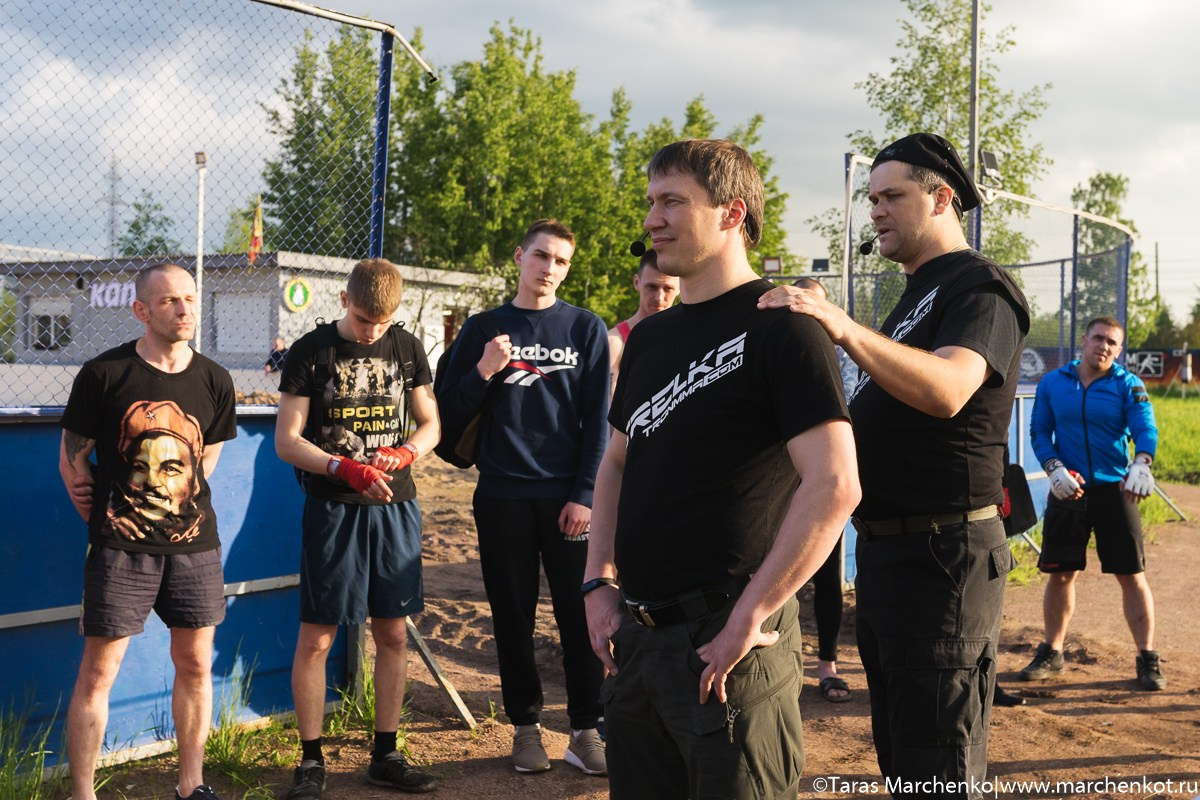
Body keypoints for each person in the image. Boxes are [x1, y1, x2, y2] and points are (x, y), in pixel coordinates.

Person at [584, 139, 861, 799]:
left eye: (672, 202)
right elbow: (616, 463)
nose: (652, 219)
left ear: (732, 213)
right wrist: (597, 581)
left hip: (733, 643)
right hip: (639, 643)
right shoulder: (649, 337)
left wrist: (749, 614)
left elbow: (835, 485)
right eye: (651, 201)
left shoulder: (785, 327)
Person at [759, 132, 1030, 799]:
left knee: (937, 764)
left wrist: (842, 325)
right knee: (905, 756)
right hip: (893, 558)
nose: (876, 210)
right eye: (872, 198)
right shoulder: (916, 294)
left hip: (944, 559)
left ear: (940, 198)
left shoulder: (980, 285)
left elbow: (948, 389)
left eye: (891, 196)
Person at [435, 219, 609, 776]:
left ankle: (585, 730)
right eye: (541, 256)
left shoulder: (585, 328)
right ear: (519, 257)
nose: (549, 268)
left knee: (580, 616)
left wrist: (585, 494)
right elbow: (446, 414)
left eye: (561, 261)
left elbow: (598, 422)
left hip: (567, 500)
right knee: (512, 617)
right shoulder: (483, 328)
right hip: (502, 495)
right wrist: (484, 370)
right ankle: (526, 728)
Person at [58, 263, 237, 800]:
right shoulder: (104, 374)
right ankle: (84, 793)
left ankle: (191, 786)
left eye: (190, 299)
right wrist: (92, 504)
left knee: (196, 664)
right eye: (168, 301)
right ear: (141, 310)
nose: (184, 310)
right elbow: (73, 455)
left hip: (195, 550)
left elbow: (206, 460)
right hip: (120, 552)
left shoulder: (215, 379)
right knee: (98, 673)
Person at [275, 259, 441, 797]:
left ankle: (386, 754)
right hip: (334, 507)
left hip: (395, 504)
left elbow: (431, 423)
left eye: (383, 322)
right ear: (345, 300)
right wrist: (342, 467)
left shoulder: (407, 346)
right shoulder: (311, 351)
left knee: (392, 632)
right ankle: (310, 761)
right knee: (318, 637)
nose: (373, 331)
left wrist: (407, 451)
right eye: (366, 319)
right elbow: (287, 441)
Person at [1021, 315, 1163, 690]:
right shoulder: (1053, 382)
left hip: (1116, 491)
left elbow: (1145, 427)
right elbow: (1039, 431)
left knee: (1132, 576)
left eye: (1112, 342)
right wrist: (1053, 468)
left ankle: (1147, 658)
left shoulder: (1128, 384)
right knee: (1060, 574)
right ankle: (1052, 652)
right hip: (1068, 489)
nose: (1104, 346)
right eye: (1098, 338)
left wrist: (1142, 462)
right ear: (1084, 340)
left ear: (1119, 350)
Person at [791, 277, 855, 703]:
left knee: (827, 576)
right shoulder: (777, 346)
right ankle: (777, 664)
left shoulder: (844, 357)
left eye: (816, 304)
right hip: (780, 483)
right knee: (773, 574)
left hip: (824, 481)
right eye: (801, 303)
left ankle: (828, 666)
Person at [607, 249, 679, 392]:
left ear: (680, 288)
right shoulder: (615, 342)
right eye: (652, 287)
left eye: (668, 288)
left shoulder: (686, 338)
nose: (659, 297)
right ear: (636, 282)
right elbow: (610, 403)